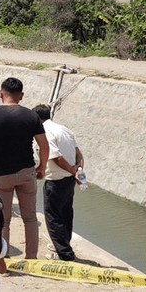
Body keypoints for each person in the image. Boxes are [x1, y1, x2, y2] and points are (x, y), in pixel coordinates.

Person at [0, 77, 49, 260]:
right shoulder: (32, 116)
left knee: (4, 220)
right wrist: (42, 166)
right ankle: (31, 258)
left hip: (1, 175)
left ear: (1, 93)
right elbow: (44, 146)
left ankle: (4, 258)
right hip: (26, 172)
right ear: (21, 96)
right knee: (30, 218)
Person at [32, 104, 84, 262]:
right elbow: (78, 153)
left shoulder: (45, 132)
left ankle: (65, 254)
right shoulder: (64, 129)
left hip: (56, 180)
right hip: (69, 180)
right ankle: (62, 244)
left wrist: (72, 171)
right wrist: (78, 171)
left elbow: (56, 158)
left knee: (53, 217)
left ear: (37, 119)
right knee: (66, 213)